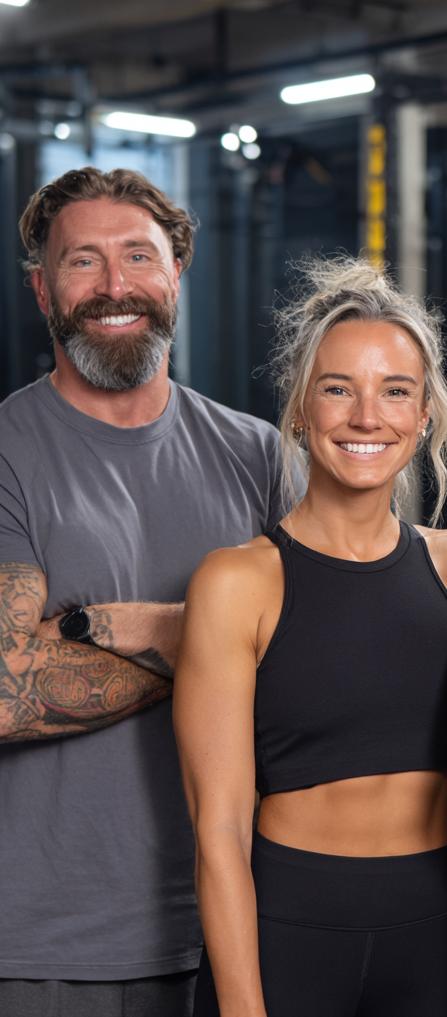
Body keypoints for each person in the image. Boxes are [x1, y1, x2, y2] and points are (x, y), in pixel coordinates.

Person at [175, 257, 447, 1017]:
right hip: (290, 931)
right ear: (299, 409)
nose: (367, 417)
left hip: (431, 937)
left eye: (395, 391)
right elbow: (219, 831)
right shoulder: (238, 583)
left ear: (425, 415)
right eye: (337, 389)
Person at [0, 168, 286, 1016]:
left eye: (138, 256)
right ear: (42, 287)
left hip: (237, 924)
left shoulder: (257, 453)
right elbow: (6, 694)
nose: (115, 286)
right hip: (52, 942)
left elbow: (320, 643)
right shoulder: (9, 452)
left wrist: (127, 628)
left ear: (176, 273)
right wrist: (220, 638)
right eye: (83, 262)